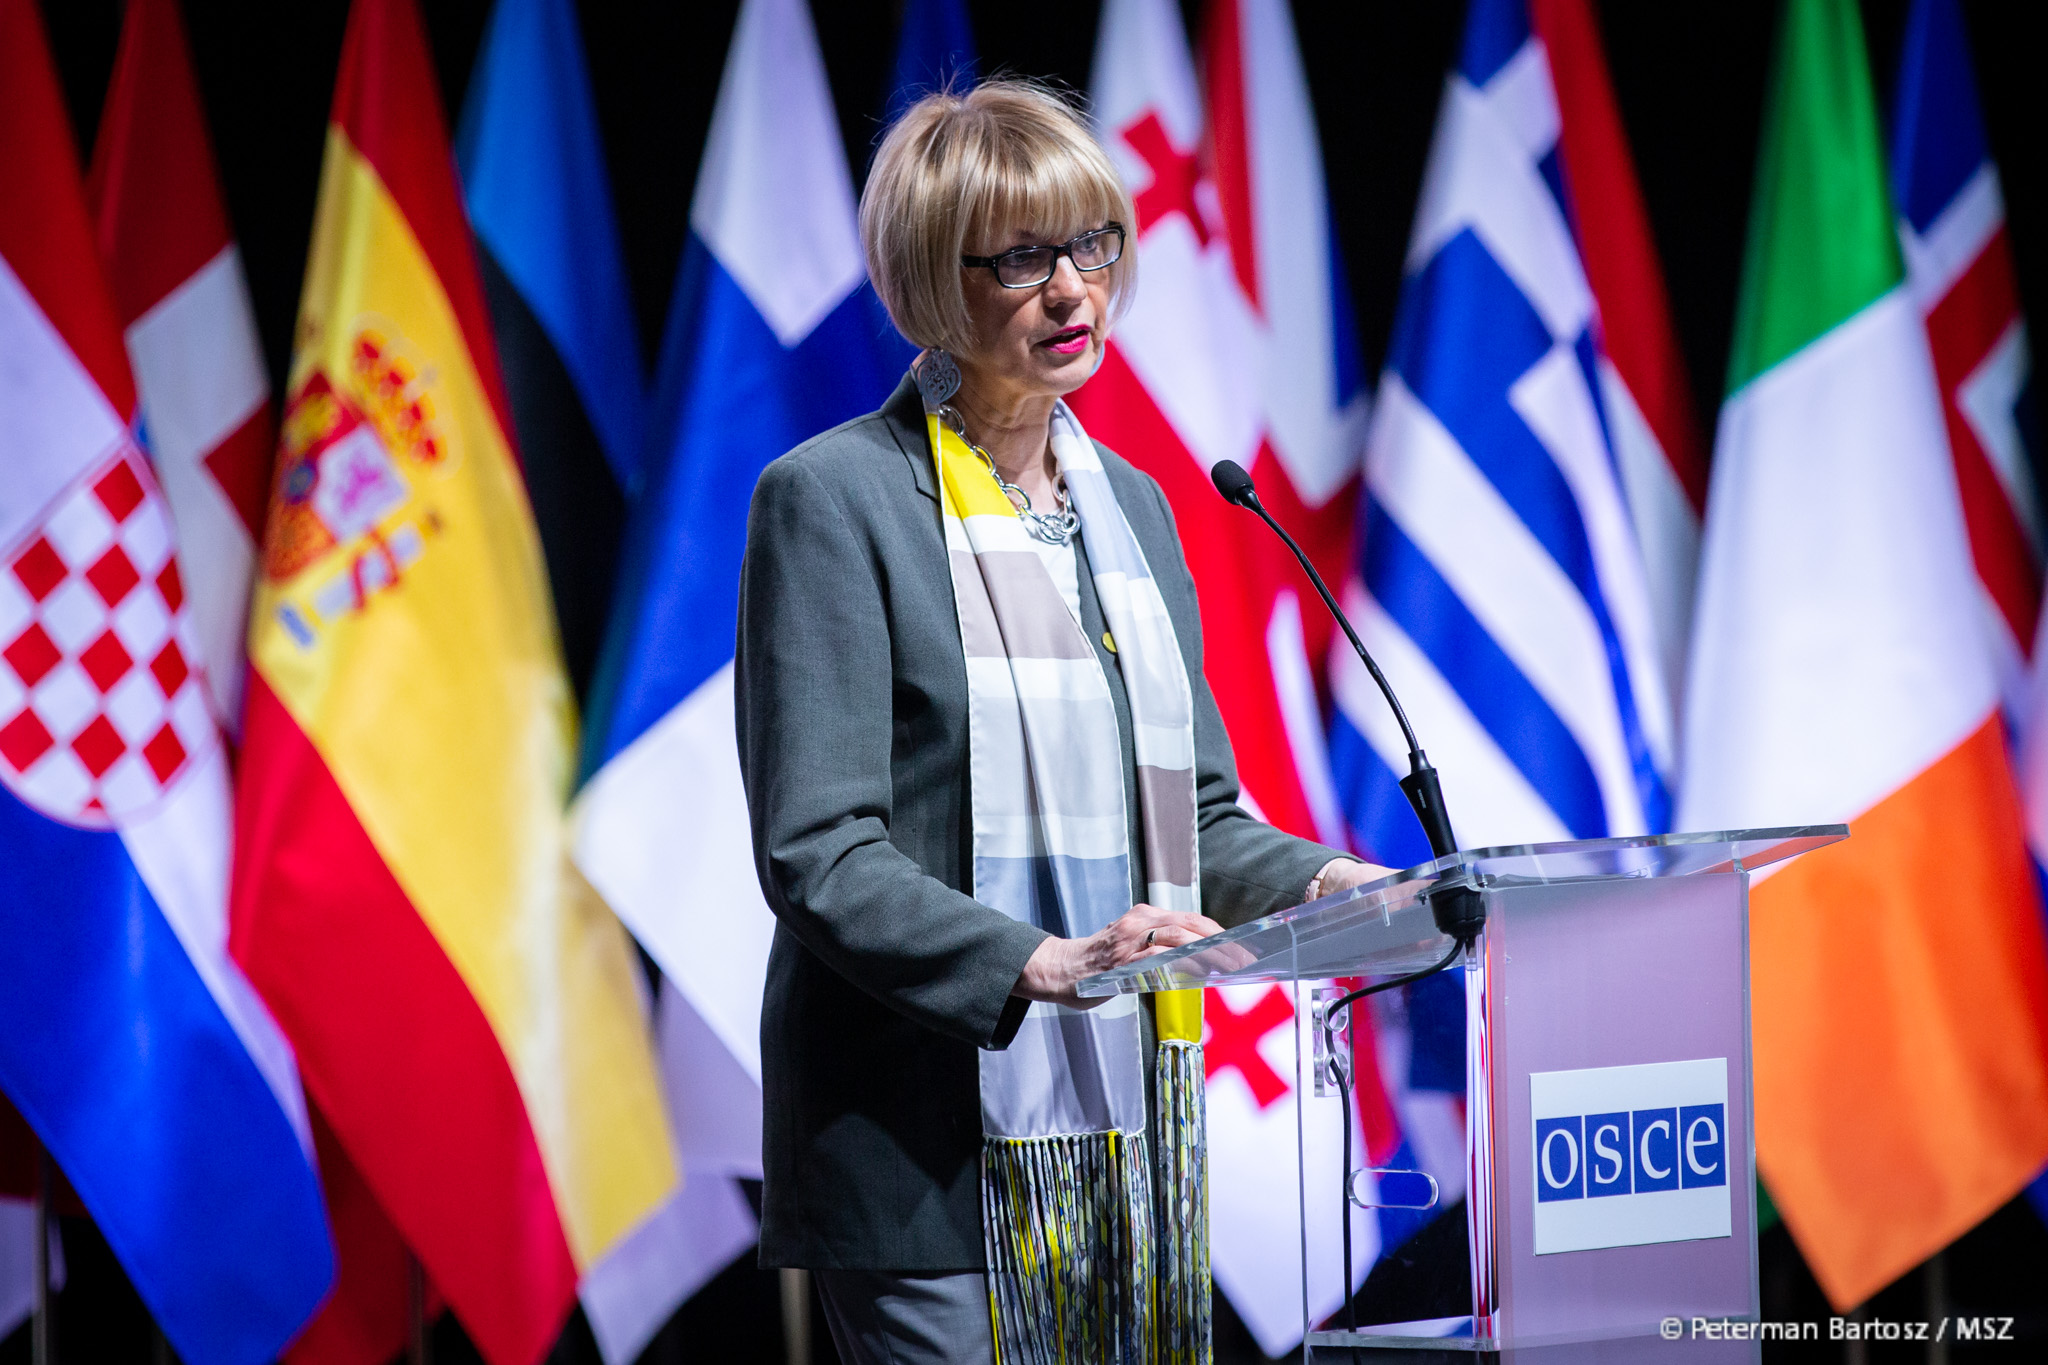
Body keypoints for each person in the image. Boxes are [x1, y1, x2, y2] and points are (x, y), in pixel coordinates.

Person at [736, 78, 1389, 1365]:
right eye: (1022, 259)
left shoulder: (1132, 509)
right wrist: (1038, 961)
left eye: (1092, 245)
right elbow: (819, 852)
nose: (1073, 290)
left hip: (1119, 1150)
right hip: (920, 1154)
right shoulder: (833, 500)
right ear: (934, 281)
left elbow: (1197, 821)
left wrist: (1347, 890)